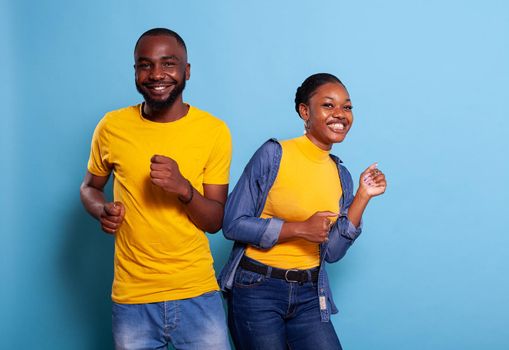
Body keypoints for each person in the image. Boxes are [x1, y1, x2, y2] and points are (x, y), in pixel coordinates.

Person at [80, 28, 232, 350]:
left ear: (186, 71)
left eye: (168, 63)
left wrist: (183, 188)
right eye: (145, 65)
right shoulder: (111, 127)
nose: (157, 74)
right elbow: (90, 188)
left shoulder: (214, 131)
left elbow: (215, 220)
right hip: (132, 297)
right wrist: (100, 210)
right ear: (135, 71)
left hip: (197, 293)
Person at [219, 73, 387, 350]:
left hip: (310, 292)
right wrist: (298, 229)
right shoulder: (274, 154)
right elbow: (232, 223)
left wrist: (362, 196)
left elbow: (331, 253)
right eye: (328, 105)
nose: (340, 114)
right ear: (305, 111)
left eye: (347, 107)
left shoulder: (340, 174)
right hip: (258, 288)